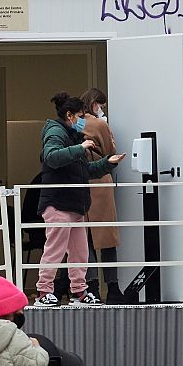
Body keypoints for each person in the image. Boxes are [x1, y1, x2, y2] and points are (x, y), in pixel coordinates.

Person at [35, 92, 123, 307]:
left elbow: (86, 171)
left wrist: (107, 163)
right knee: (55, 249)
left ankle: (79, 291)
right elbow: (52, 157)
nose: (84, 120)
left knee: (80, 251)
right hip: (58, 202)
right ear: (70, 116)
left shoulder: (75, 137)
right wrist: (80, 148)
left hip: (75, 204)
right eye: (81, 116)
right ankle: (43, 291)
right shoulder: (56, 133)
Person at [80, 89, 124, 303]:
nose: (102, 109)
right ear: (95, 103)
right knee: (107, 237)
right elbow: (110, 150)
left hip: (78, 181)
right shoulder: (99, 124)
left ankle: (92, 287)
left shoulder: (75, 123)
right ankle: (113, 287)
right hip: (100, 181)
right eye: (101, 104)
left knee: (83, 238)